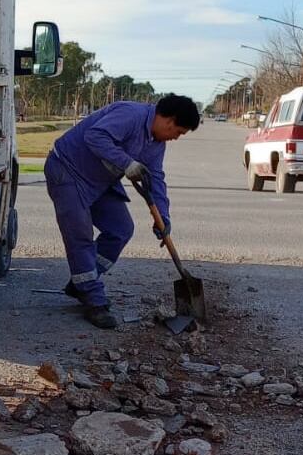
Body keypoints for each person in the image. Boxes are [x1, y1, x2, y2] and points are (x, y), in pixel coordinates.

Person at [45, 93, 201, 328]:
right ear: (169, 120)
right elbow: (95, 135)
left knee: (120, 229)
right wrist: (127, 163)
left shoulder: (156, 144)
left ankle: (84, 281)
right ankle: (94, 300)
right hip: (68, 171)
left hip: (100, 181)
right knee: (81, 236)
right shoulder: (131, 114)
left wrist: (163, 216)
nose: (176, 138)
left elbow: (156, 178)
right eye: (178, 132)